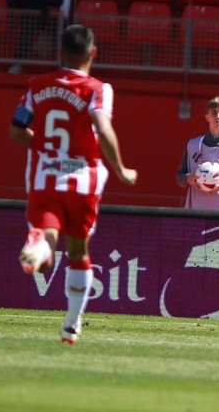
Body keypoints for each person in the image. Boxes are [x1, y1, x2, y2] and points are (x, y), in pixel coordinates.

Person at [11, 24, 137, 345]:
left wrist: (42, 145)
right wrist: (121, 168)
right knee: (78, 250)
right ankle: (71, 323)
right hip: (83, 181)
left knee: (48, 237)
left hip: (45, 176)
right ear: (93, 53)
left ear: (60, 52)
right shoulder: (97, 89)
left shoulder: (36, 85)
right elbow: (102, 127)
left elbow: (15, 130)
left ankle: (40, 248)